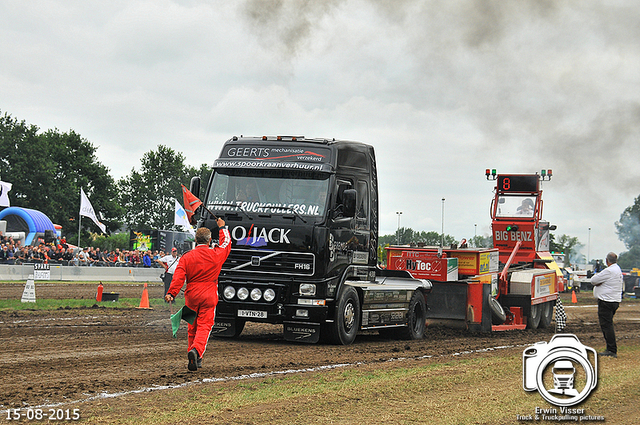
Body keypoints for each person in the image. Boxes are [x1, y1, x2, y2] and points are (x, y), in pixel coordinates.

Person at [164, 219, 231, 371]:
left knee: (192, 327)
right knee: (205, 326)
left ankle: (193, 355)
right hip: (209, 294)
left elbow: (179, 277)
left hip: (191, 296)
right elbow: (226, 243)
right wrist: (223, 227)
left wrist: (171, 293)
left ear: (195, 240)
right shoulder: (216, 254)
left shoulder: (187, 257)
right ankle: (197, 352)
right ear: (209, 241)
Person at [590, 252, 623, 358]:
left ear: (606, 260)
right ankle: (611, 348)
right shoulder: (617, 269)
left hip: (606, 301)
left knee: (607, 326)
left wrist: (599, 282)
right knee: (608, 324)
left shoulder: (609, 270)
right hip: (614, 300)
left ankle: (611, 349)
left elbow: (593, 280)